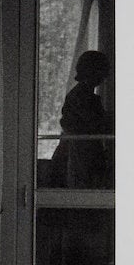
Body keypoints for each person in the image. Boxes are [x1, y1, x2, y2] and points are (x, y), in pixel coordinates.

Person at [51, 50, 112, 189]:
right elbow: (95, 124)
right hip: (79, 154)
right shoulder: (81, 97)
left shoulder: (83, 95)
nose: (104, 77)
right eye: (101, 71)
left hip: (82, 153)